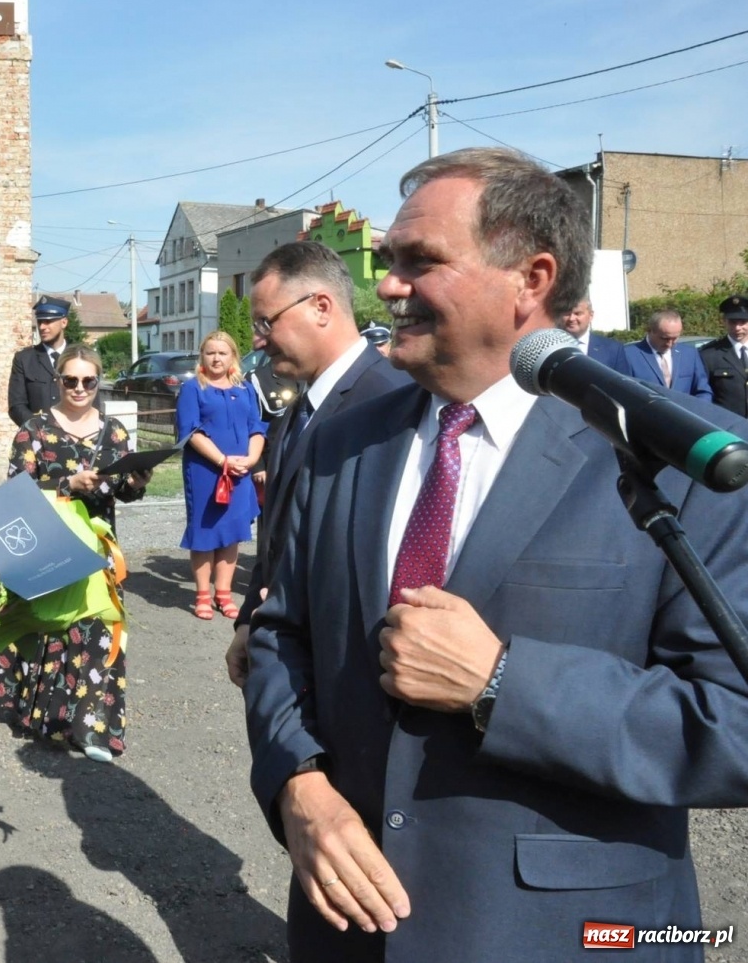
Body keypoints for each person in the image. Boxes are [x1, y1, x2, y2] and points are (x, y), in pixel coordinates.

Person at [244, 147, 748, 963]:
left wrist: (501, 684)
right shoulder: (340, 441)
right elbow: (277, 633)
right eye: (388, 262)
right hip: (345, 930)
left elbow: (735, 721)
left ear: (532, 278)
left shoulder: (673, 462)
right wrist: (299, 786)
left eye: (421, 262)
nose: (389, 287)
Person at [228, 242, 405, 683]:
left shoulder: (392, 403)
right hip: (289, 660)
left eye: (266, 322)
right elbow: (278, 534)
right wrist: (250, 617)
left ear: (320, 307)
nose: (256, 340)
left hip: (348, 669)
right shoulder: (298, 407)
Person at [0, 344, 147, 761]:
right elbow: (15, 494)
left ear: (99, 382)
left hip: (100, 549)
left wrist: (136, 482)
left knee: (101, 629)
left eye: (88, 381)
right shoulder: (34, 429)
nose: (79, 388)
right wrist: (66, 485)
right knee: (56, 630)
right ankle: (51, 722)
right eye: (70, 380)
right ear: (57, 381)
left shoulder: (114, 431)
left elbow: (124, 491)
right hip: (52, 545)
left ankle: (94, 727)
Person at [176, 330, 266, 620]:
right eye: (210, 352)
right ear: (202, 356)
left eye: (222, 353)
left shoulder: (246, 388)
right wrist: (222, 460)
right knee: (205, 533)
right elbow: (190, 431)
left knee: (232, 535)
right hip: (205, 471)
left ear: (233, 357)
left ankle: (223, 595)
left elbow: (257, 427)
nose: (216, 358)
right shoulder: (193, 389)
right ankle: (202, 595)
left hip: (240, 472)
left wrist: (251, 459)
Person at [6, 297, 71, 425]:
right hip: (36, 439)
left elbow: (93, 405)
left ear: (63, 322)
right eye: (40, 321)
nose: (42, 327)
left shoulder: (80, 357)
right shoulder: (24, 359)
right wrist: (40, 430)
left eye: (48, 321)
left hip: (75, 437)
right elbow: (16, 406)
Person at [624, 308, 712, 400]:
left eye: (675, 338)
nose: (670, 343)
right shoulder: (628, 355)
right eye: (664, 338)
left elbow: (703, 391)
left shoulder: (689, 354)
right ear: (649, 331)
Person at [697, 293, 748, 418]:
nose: (737, 328)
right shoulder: (709, 354)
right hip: (728, 426)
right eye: (732, 322)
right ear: (724, 321)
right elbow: (703, 393)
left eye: (742, 322)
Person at [557, 297, 632, 374]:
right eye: (567, 314)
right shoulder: (551, 347)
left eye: (577, 313)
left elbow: (624, 384)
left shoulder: (613, 350)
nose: (571, 318)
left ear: (591, 315)